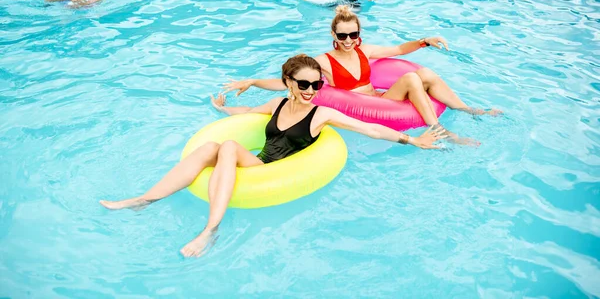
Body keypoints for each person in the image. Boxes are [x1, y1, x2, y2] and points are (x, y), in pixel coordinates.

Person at [100, 55, 445, 258]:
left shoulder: (321, 113)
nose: (311, 91)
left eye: (316, 85)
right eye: (304, 84)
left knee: (229, 147)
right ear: (288, 82)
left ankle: (210, 229)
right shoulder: (278, 104)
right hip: (261, 163)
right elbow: (249, 112)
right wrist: (221, 109)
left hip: (278, 171)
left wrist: (412, 141)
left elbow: (369, 129)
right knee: (210, 147)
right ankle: (144, 199)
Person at [224, 6, 502, 145]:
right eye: (342, 35)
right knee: (411, 79)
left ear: (359, 35)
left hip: (382, 98)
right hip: (362, 107)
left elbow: (399, 49)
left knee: (424, 73)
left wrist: (424, 41)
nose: (348, 40)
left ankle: (468, 110)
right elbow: (291, 82)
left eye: (353, 34)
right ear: (334, 35)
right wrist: (253, 81)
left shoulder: (365, 51)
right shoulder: (324, 62)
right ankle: (440, 130)